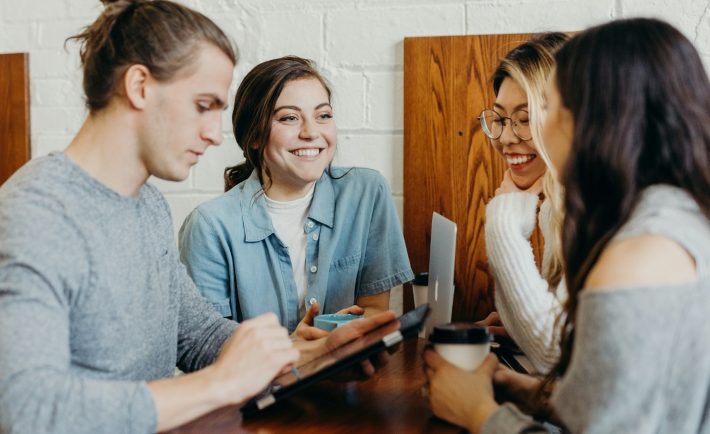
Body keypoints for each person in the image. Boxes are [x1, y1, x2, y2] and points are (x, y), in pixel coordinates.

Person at [0, 2, 395, 433]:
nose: (213, 133)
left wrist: (309, 357)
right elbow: (26, 408)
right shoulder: (34, 214)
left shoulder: (146, 204)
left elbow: (199, 336)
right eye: (203, 105)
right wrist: (221, 383)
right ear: (139, 86)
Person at [424, 17, 710, 433]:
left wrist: (478, 413)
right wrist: (520, 389)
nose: (528, 130)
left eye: (551, 105)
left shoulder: (639, 255)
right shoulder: (676, 217)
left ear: (598, 118)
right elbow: (619, 402)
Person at [179, 56, 414, 338]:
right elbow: (208, 346)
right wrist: (296, 350)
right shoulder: (209, 226)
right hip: (262, 382)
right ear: (254, 136)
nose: (312, 132)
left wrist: (342, 333)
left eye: (323, 115)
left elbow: (375, 310)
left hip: (347, 376)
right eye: (289, 118)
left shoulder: (366, 193)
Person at [478, 33, 569, 373]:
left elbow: (554, 355)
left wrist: (503, 222)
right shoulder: (557, 206)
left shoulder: (594, 208)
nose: (505, 137)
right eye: (500, 119)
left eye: (525, 118)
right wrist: (517, 326)